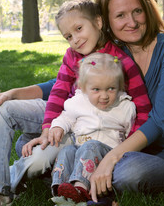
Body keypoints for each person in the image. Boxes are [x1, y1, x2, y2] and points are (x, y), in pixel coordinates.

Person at [8, 0, 151, 199]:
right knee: (57, 153)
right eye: (68, 36)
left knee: (88, 150)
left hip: (108, 147)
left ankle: (79, 187)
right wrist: (49, 127)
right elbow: (59, 94)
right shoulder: (72, 59)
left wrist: (125, 150)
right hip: (77, 137)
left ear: (99, 23)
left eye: (79, 29)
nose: (75, 39)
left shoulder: (123, 63)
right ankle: (57, 188)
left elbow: (141, 112)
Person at [85, 0, 164, 203]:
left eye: (137, 11)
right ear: (106, 22)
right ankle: (88, 176)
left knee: (129, 173)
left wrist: (112, 158)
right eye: (120, 15)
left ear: (148, 11)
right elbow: (66, 83)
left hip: (161, 157)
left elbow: (162, 121)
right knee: (28, 142)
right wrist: (14, 94)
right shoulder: (114, 53)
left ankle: (84, 176)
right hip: (113, 143)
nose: (132, 22)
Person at [49, 53, 136, 204]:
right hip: (80, 152)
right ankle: (61, 190)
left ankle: (80, 189)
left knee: (91, 145)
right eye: (96, 89)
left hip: (107, 156)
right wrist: (58, 126)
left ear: (120, 86)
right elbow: (66, 117)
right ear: (83, 88)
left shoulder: (125, 107)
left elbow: (131, 135)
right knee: (67, 151)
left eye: (111, 89)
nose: (104, 96)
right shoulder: (78, 102)